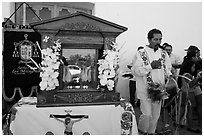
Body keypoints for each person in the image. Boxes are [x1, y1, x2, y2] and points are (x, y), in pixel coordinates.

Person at [131, 28, 172, 134]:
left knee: (156, 115)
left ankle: (151, 133)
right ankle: (142, 131)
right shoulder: (141, 53)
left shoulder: (163, 53)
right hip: (145, 89)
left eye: (160, 39)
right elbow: (135, 71)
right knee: (147, 114)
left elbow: (168, 69)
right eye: (155, 39)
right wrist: (150, 66)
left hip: (159, 90)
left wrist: (169, 75)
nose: (158, 42)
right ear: (149, 39)